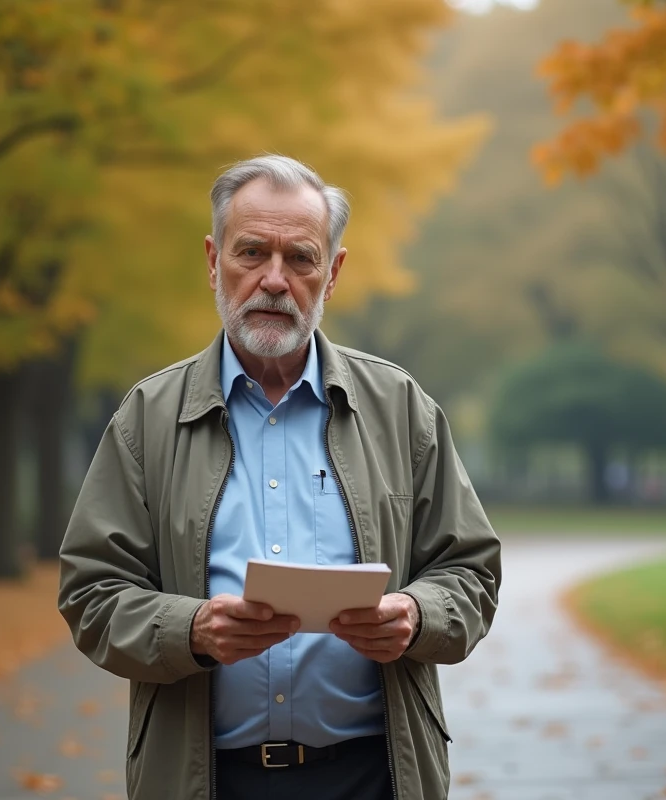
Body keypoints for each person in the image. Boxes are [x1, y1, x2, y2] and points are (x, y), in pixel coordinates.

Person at [57, 154, 502, 800]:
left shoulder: (401, 409)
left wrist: (415, 613)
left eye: (300, 258)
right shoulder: (145, 420)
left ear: (334, 272)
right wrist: (191, 630)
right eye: (251, 253)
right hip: (203, 781)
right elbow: (91, 594)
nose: (274, 280)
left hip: (374, 777)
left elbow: (473, 571)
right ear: (213, 261)